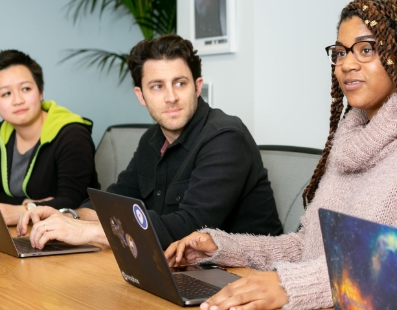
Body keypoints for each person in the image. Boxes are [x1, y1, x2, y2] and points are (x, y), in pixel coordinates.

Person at [164, 0, 397, 310]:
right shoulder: (351, 141)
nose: (346, 64)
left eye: (366, 49)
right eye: (340, 53)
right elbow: (310, 248)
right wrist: (222, 248)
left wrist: (292, 287)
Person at [17, 34, 282, 249]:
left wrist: (86, 231)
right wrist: (69, 216)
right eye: (157, 86)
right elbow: (115, 201)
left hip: (244, 277)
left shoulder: (225, 137)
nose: (171, 97)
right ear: (141, 95)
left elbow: (189, 228)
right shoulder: (152, 139)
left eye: (180, 83)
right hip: (182, 270)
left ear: (197, 86)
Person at [0, 50, 99, 226]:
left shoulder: (72, 134)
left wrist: (23, 211)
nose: (18, 100)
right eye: (6, 93)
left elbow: (71, 202)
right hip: (24, 230)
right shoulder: (1, 133)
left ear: (41, 92)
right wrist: (26, 203)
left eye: (26, 89)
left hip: (75, 234)